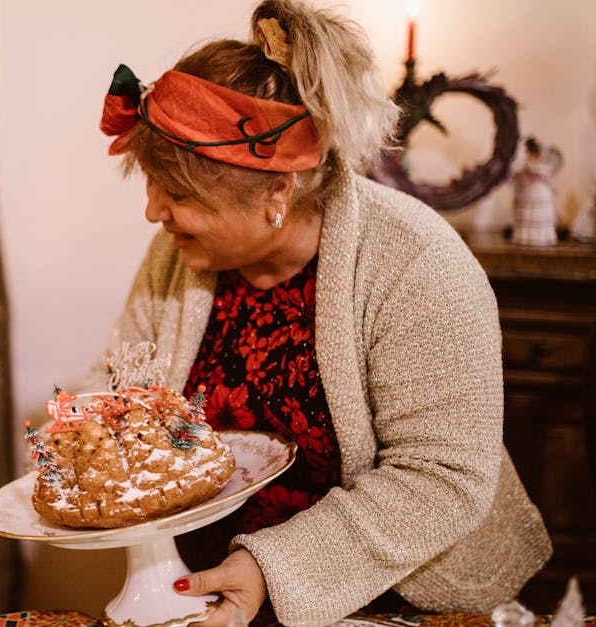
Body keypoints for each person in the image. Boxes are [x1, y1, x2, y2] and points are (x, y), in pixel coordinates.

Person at [91, 1, 551, 625]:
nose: (152, 212)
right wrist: (88, 441)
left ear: (276, 192)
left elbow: (441, 478)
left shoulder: (416, 261)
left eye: (176, 194)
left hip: (401, 601)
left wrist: (272, 570)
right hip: (209, 595)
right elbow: (127, 386)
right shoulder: (178, 255)